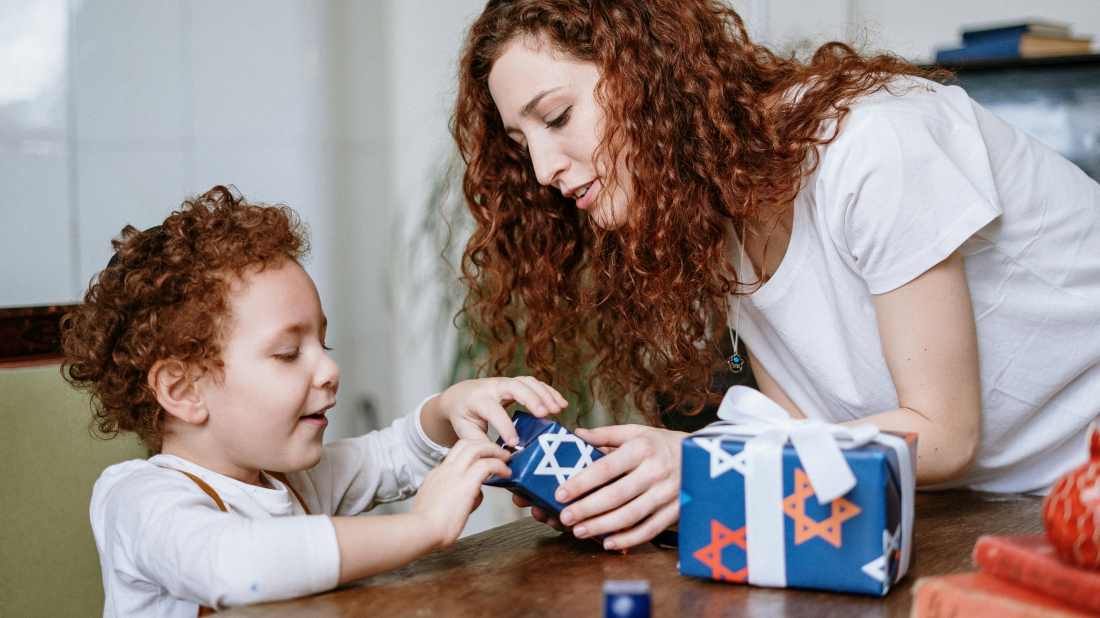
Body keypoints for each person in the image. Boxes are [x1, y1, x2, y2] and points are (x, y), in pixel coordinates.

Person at [452, 0, 1100, 551]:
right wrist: (632, 482)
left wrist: (702, 463)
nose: (540, 170)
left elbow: (946, 434)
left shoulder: (870, 144)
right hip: (1009, 514)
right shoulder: (714, 215)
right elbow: (801, 442)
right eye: (520, 143)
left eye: (557, 117)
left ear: (646, 75)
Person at [61, 186, 568, 616]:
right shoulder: (136, 499)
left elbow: (392, 455)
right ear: (182, 390)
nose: (329, 369)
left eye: (322, 345)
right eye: (287, 354)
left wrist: (450, 408)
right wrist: (424, 527)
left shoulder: (296, 480)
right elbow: (234, 565)